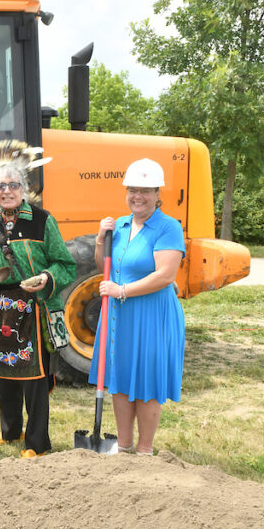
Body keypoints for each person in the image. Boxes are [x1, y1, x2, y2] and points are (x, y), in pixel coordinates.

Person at [0, 141, 76, 458]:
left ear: (24, 188)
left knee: (34, 376)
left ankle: (36, 442)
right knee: (5, 372)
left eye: (13, 185)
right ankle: (10, 431)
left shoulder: (42, 221)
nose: (6, 191)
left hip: (34, 308)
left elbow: (65, 265)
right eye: (0, 186)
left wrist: (45, 278)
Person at [89, 158, 185, 456]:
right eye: (132, 190)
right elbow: (104, 267)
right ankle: (124, 445)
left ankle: (144, 450)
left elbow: (165, 275)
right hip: (119, 314)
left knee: (146, 380)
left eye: (145, 190)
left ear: (158, 194)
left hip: (151, 314)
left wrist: (122, 290)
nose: (137, 196)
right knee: (119, 377)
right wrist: (99, 241)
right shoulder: (119, 225)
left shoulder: (168, 227)